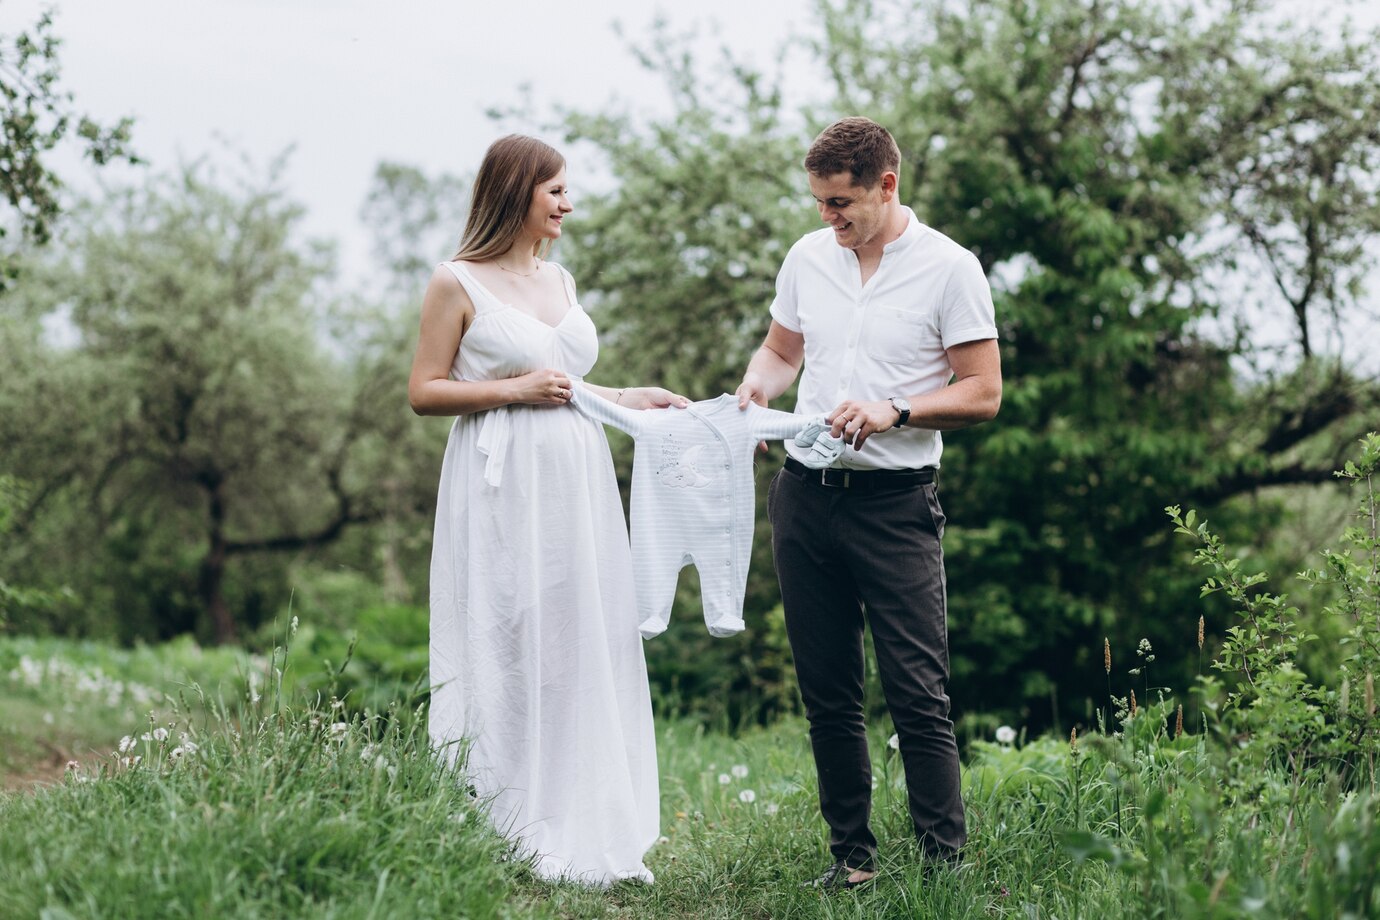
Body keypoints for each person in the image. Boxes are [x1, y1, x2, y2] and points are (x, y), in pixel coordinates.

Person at [408, 134, 686, 886]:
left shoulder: (560, 280)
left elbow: (570, 386)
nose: (568, 203)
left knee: (576, 635)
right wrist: (512, 389)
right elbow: (425, 390)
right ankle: (501, 815)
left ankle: (581, 813)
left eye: (567, 191)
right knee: (508, 632)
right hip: (501, 482)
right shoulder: (456, 281)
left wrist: (637, 399)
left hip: (579, 478)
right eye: (555, 190)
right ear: (515, 192)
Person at [736, 117, 1002, 888]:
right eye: (820, 202)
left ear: (887, 185)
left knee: (919, 696)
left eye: (841, 202)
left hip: (895, 506)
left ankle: (943, 871)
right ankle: (852, 863)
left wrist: (896, 409)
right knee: (829, 694)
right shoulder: (807, 258)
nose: (828, 217)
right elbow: (782, 350)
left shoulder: (951, 268)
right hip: (803, 497)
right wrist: (758, 387)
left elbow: (983, 393)